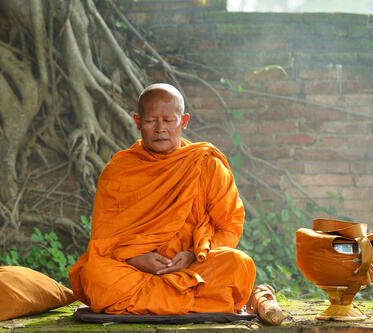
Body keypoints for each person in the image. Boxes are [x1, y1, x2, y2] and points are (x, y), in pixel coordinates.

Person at [69, 83, 256, 315]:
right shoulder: (119, 171)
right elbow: (103, 239)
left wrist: (193, 256)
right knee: (94, 274)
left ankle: (152, 303)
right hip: (136, 270)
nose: (160, 129)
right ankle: (191, 303)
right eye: (151, 121)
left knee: (238, 263)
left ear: (184, 121)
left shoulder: (206, 164)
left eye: (168, 120)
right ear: (138, 122)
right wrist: (136, 259)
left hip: (193, 266)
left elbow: (229, 226)